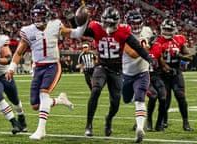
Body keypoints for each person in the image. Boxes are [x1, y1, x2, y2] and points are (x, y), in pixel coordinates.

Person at [5, 3, 89, 140]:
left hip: (52, 65)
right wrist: (11, 68)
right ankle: (60, 100)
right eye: (35, 16)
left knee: (44, 93)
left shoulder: (55, 25)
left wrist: (84, 22)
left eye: (40, 15)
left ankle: (41, 130)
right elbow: (19, 52)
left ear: (47, 16)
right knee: (35, 105)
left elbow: (77, 33)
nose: (37, 18)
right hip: (38, 68)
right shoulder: (28, 30)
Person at [78, 7, 153, 141]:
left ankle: (109, 119)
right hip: (102, 66)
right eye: (106, 23)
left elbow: (136, 46)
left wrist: (149, 58)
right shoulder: (97, 28)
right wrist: (74, 18)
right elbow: (80, 30)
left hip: (117, 69)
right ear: (103, 21)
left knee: (115, 103)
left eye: (111, 24)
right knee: (95, 90)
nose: (108, 26)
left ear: (117, 22)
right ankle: (88, 125)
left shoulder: (123, 32)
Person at [122, 10, 153, 143]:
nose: (135, 26)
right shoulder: (122, 34)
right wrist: (145, 48)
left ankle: (140, 128)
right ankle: (135, 95)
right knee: (127, 99)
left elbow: (152, 42)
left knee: (140, 100)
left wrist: (150, 46)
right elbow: (133, 53)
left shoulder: (147, 31)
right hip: (128, 73)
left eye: (137, 22)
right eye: (132, 23)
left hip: (142, 71)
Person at [157, 18, 194, 131]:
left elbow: (190, 56)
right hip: (163, 73)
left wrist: (179, 56)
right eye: (165, 29)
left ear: (173, 30)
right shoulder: (157, 41)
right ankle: (164, 121)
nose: (167, 32)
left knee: (181, 97)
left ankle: (186, 122)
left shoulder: (179, 40)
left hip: (176, 72)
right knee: (164, 99)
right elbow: (156, 58)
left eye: (169, 29)